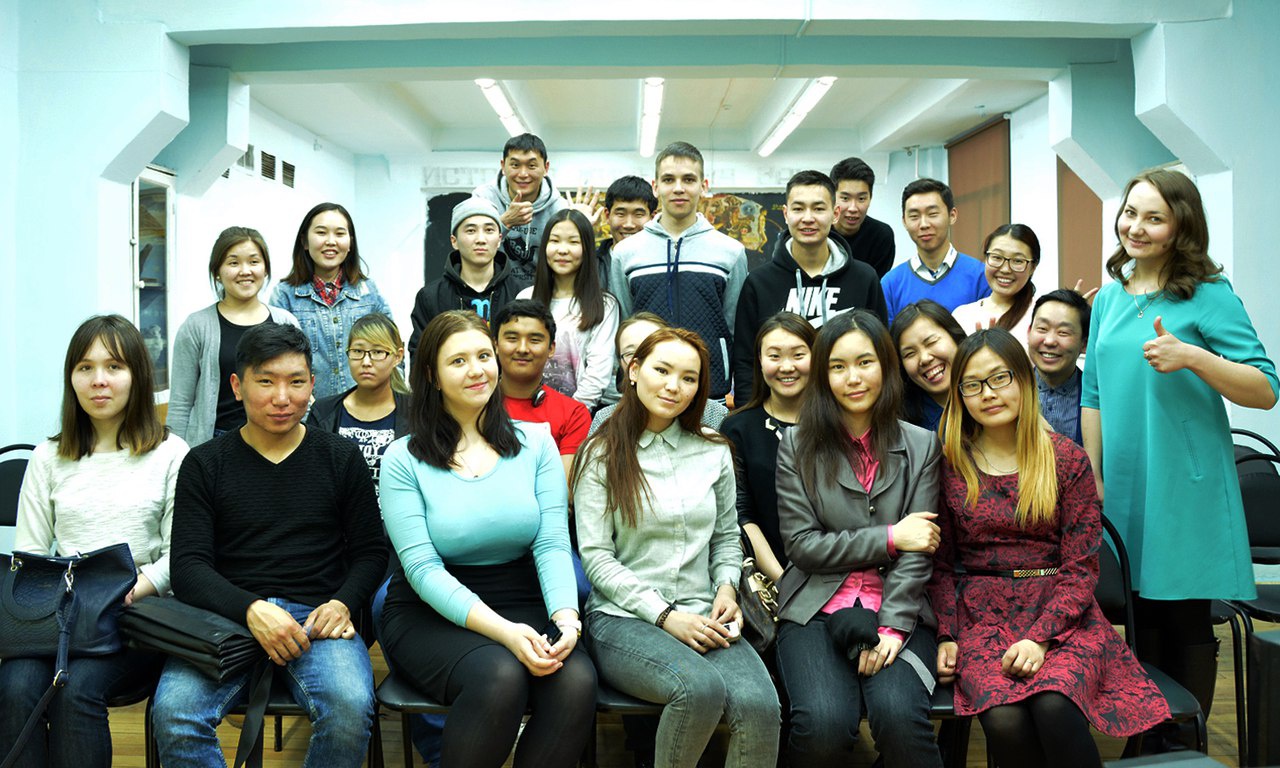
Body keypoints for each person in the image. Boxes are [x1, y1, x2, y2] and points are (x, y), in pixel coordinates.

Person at [1081, 169, 1277, 735]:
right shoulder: (1110, 297)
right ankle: (1148, 733)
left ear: (1180, 226)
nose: (1135, 227)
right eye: (1130, 213)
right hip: (1123, 478)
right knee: (1139, 615)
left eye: (1154, 218)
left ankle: (1184, 737)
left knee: (1184, 616)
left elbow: (1265, 388)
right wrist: (1093, 472)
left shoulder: (1208, 294)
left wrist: (1193, 356)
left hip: (1185, 482)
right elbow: (1093, 393)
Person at [930, 328, 1170, 768]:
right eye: (972, 384)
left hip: (1062, 613)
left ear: (1024, 380)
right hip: (981, 617)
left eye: (999, 378)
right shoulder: (950, 464)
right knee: (1004, 718)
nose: (988, 393)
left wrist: (1040, 637)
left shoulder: (1066, 459)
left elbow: (1081, 568)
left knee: (1054, 704)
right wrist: (947, 633)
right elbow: (941, 566)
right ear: (959, 396)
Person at [153, 322, 387, 768]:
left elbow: (371, 552)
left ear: (312, 385)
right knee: (175, 713)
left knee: (349, 708)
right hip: (226, 616)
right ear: (237, 386)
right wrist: (250, 609)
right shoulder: (204, 463)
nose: (282, 398)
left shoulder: (340, 457)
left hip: (317, 618)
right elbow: (188, 566)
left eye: (296, 382)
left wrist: (343, 602)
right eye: (266, 382)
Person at [379, 310, 596, 768]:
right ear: (432, 376)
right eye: (458, 361)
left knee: (575, 682)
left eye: (483, 356)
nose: (477, 370)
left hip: (523, 597)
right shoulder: (403, 458)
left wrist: (566, 620)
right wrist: (505, 633)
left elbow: (552, 543)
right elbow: (421, 569)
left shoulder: (536, 442)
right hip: (431, 611)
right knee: (500, 676)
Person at [574, 327, 781, 768]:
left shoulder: (713, 450)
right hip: (623, 618)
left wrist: (727, 589)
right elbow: (596, 558)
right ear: (634, 370)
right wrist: (666, 616)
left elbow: (726, 537)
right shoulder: (601, 453)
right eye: (662, 371)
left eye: (689, 378)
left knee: (761, 708)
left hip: (704, 612)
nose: (674, 386)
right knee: (698, 689)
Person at [1, 315, 187, 768]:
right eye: (85, 368)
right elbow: (30, 556)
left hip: (135, 619)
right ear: (72, 379)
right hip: (58, 617)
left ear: (137, 376)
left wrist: (131, 589)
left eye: (114, 367)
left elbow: (178, 555)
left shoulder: (171, 453)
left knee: (76, 688)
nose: (98, 380)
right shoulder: (48, 456)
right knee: (14, 686)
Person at [772, 309, 943, 767]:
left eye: (865, 362)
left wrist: (892, 627)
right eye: (838, 366)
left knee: (900, 718)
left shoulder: (922, 445)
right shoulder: (796, 445)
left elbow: (920, 549)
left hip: (899, 607)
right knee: (824, 725)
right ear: (823, 376)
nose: (853, 378)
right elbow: (803, 546)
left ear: (885, 366)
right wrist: (890, 536)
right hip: (814, 608)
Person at [732, 170, 887, 403]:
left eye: (818, 208)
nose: (808, 218)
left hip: (846, 409)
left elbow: (881, 351)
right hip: (779, 410)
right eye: (798, 209)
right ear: (786, 214)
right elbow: (746, 359)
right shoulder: (759, 282)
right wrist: (749, 412)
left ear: (835, 214)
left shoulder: (864, 279)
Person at [609, 141, 748, 400]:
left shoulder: (730, 252)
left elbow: (735, 328)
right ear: (655, 186)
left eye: (689, 179)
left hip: (710, 392)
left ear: (704, 186)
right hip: (646, 393)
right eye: (669, 179)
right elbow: (624, 327)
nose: (679, 188)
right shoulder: (626, 253)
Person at [168, 226, 299, 447]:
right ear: (217, 272)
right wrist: (176, 455)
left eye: (254, 261)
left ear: (265, 269)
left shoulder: (286, 322)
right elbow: (180, 404)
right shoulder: (196, 326)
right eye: (233, 263)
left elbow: (298, 388)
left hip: (276, 438)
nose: (245, 271)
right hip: (215, 442)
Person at [720, 312, 817, 584]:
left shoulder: (837, 423)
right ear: (760, 362)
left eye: (798, 355)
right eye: (774, 356)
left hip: (841, 575)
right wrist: (784, 582)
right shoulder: (738, 428)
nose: (786, 366)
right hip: (773, 579)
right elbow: (741, 514)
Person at [269, 202, 394, 399]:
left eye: (340, 233)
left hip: (366, 407)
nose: (331, 241)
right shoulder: (285, 296)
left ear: (350, 243)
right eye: (321, 233)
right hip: (308, 410)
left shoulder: (369, 292)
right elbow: (278, 362)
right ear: (305, 241)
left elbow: (391, 351)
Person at [517, 209, 620, 410]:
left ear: (587, 249)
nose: (562, 250)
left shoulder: (604, 304)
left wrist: (571, 416)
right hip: (529, 411)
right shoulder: (525, 299)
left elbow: (598, 372)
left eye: (573, 242)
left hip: (580, 414)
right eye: (555, 241)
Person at [306, 312, 411, 496]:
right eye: (358, 351)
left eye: (377, 352)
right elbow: (313, 478)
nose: (366, 362)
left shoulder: (417, 412)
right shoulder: (323, 412)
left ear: (398, 356)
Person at [409, 197, 524, 359]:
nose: (481, 239)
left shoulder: (521, 294)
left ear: (499, 239)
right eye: (471, 231)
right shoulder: (431, 297)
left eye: (489, 230)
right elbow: (420, 357)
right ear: (454, 241)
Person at [493, 299, 592, 480]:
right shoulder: (474, 405)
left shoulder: (573, 415)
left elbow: (563, 488)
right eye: (512, 339)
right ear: (496, 345)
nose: (522, 349)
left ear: (551, 348)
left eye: (534, 340)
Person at [591, 312, 729, 433]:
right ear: (632, 368)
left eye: (652, 347)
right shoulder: (606, 419)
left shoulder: (714, 415)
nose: (643, 358)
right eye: (631, 353)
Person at [880, 179, 990, 321]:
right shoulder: (891, 283)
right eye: (914, 216)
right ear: (904, 221)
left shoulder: (981, 276)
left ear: (952, 215)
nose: (924, 224)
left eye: (932, 214)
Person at [470, 132, 570, 285]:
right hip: (491, 287)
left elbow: (567, 259)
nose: (523, 174)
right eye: (515, 165)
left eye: (532, 166)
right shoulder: (483, 198)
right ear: (503, 166)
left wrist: (582, 228)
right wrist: (504, 223)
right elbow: (469, 247)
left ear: (546, 168)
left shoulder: (559, 208)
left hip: (541, 290)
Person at [950, 224, 1041, 344]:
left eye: (1017, 261)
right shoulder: (962, 315)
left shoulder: (1041, 315)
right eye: (997, 257)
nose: (1005, 269)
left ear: (1033, 267)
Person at [890, 299, 968, 431]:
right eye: (910, 354)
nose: (924, 359)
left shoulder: (990, 396)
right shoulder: (904, 428)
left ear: (955, 337)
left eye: (931, 342)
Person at [1027, 289, 1090, 444]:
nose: (1049, 341)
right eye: (1042, 329)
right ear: (1029, 332)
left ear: (1084, 344)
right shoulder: (1011, 390)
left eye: (1063, 332)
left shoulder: (1097, 399)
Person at [829, 156, 896, 278]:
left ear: (870, 198)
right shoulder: (818, 232)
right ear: (832, 198)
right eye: (845, 198)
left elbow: (875, 284)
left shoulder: (881, 236)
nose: (853, 208)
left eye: (861, 199)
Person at [597, 175, 657, 290]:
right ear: (607, 216)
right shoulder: (590, 264)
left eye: (638, 214)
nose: (629, 224)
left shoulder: (662, 262)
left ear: (652, 217)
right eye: (621, 214)